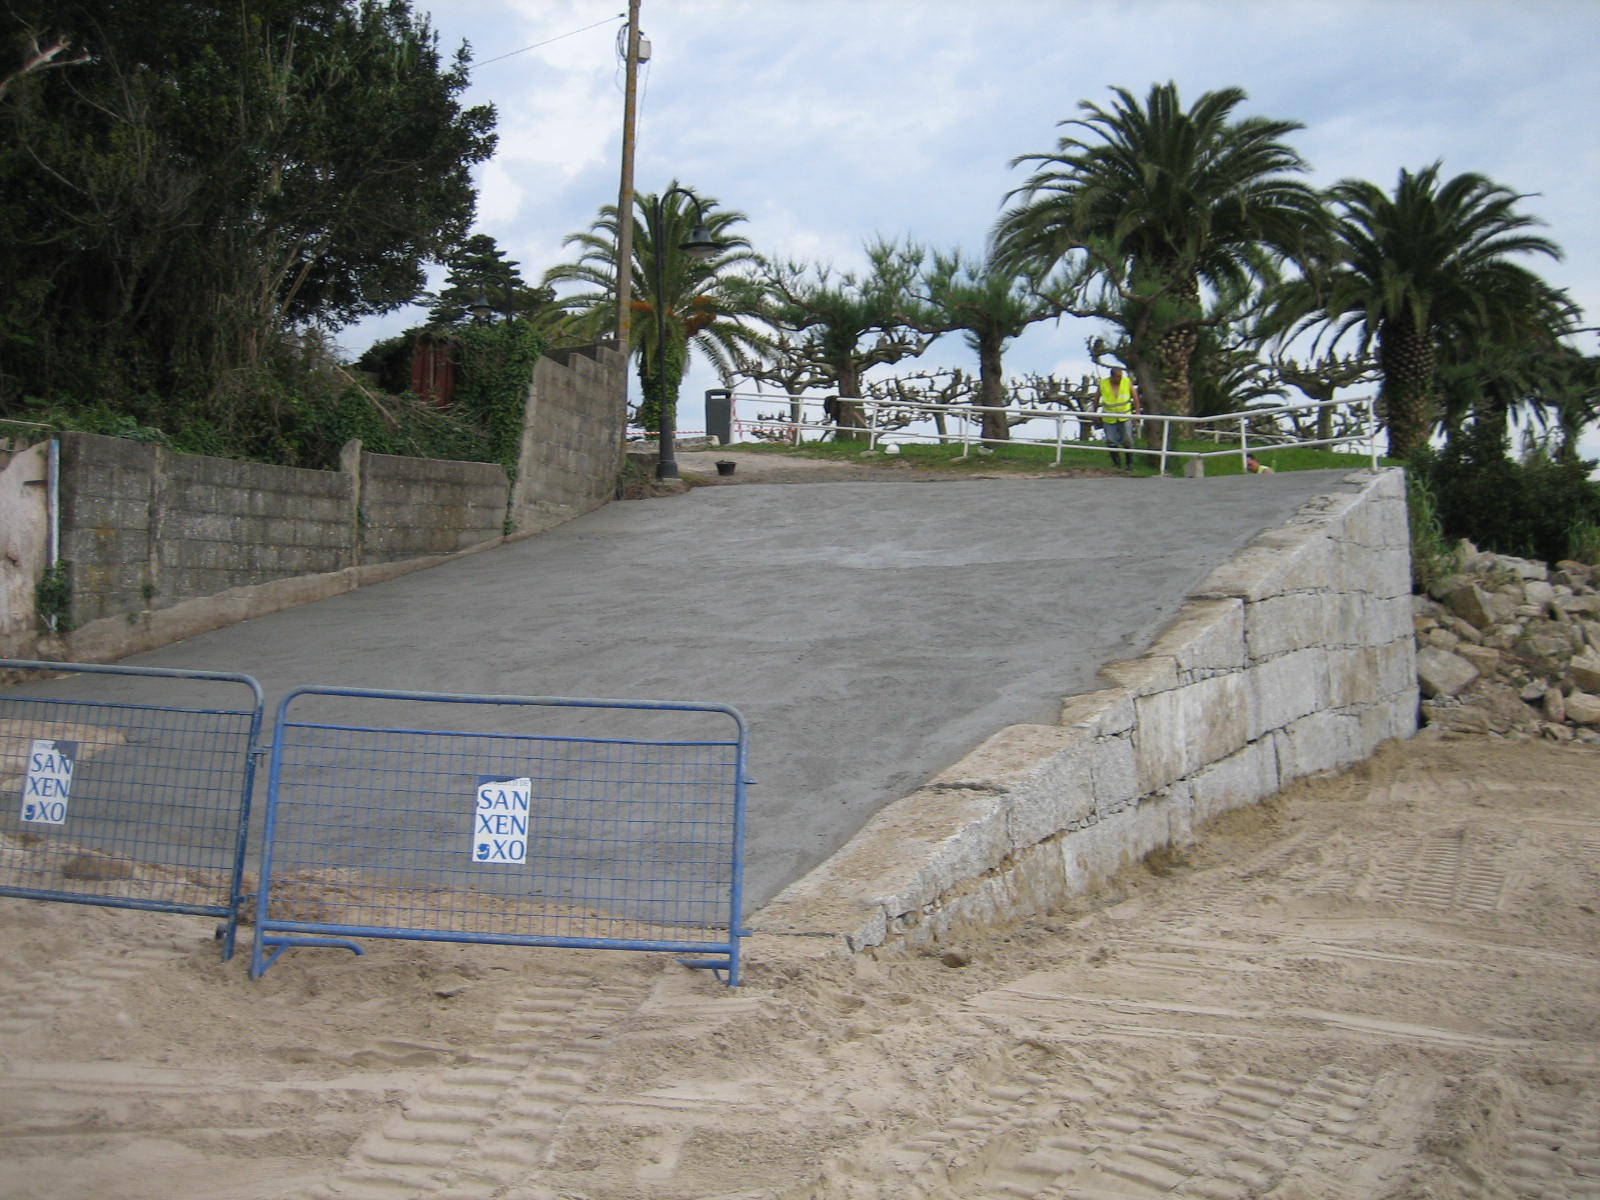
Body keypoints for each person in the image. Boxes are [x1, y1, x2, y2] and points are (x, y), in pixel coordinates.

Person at [1098, 366, 1142, 471]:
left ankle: (1130, 464)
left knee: (1128, 439)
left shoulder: (1126, 382)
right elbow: (1097, 397)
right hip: (1109, 417)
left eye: (1121, 376)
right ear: (1112, 376)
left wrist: (1137, 412)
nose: (1120, 378)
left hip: (1125, 416)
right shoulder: (1103, 383)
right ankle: (1116, 463)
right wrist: (1095, 414)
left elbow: (1135, 397)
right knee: (1110, 440)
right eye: (1118, 376)